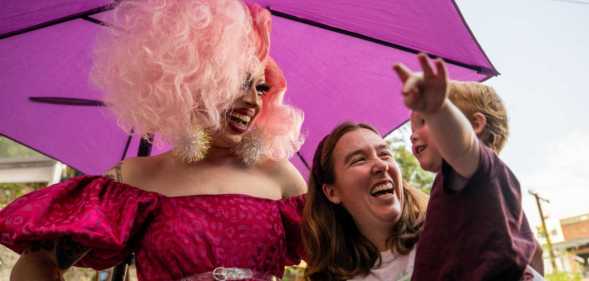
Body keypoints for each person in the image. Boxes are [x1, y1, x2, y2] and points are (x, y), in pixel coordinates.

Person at [0, 1, 306, 281]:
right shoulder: (133, 180)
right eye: (241, 83)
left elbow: (343, 258)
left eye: (261, 88)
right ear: (193, 81)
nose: (254, 101)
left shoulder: (280, 178)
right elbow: (37, 262)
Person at [393, 54, 543, 280]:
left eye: (424, 121)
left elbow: (462, 146)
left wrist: (438, 109)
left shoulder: (479, 169)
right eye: (413, 127)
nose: (413, 136)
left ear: (475, 125)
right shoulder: (455, 183)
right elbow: (536, 251)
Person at [301, 122, 429, 281]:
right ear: (332, 192)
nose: (381, 165)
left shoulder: (440, 232)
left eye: (385, 154)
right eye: (359, 160)